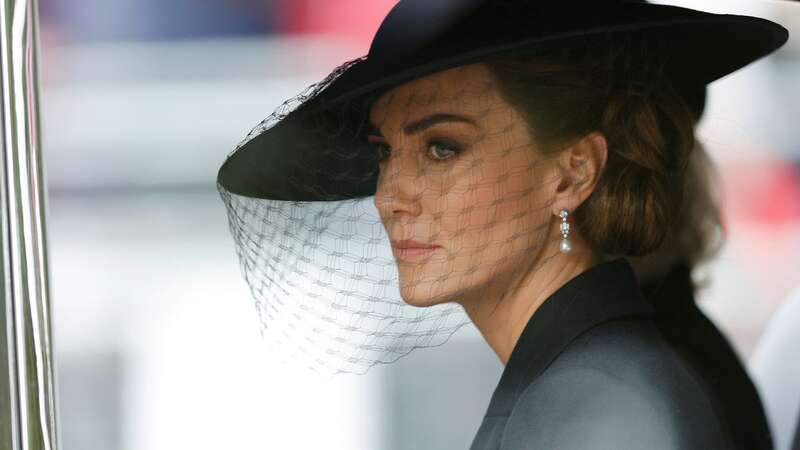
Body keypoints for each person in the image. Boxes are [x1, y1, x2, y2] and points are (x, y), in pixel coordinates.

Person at [216, 1, 789, 448]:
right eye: (384, 153)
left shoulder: (601, 402)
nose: (389, 197)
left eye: (442, 149)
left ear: (572, 174)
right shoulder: (584, 382)